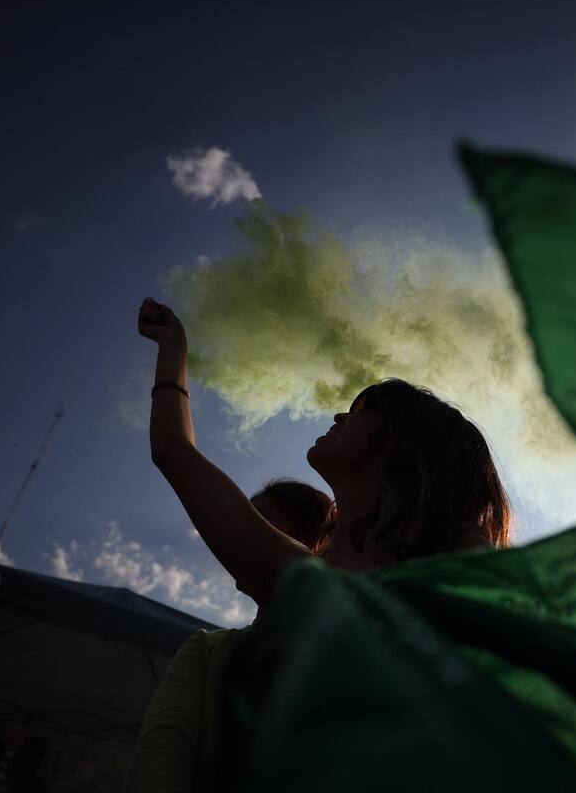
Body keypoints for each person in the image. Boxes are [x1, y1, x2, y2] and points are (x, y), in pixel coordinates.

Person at [132, 297, 511, 792]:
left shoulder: (444, 591)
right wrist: (173, 351)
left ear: (404, 442)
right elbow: (175, 452)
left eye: (360, 408)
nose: (338, 414)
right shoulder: (299, 582)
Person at [131, 480, 334, 793]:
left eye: (264, 518)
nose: (238, 529)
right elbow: (164, 746)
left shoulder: (348, 646)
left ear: (309, 536)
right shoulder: (207, 648)